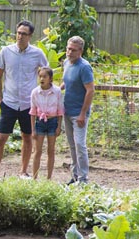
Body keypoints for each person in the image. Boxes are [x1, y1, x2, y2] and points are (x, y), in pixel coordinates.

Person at [0, 20, 49, 179]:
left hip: (28, 103)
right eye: (18, 33)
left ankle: (23, 172)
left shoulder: (37, 53)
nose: (20, 36)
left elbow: (47, 74)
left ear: (30, 36)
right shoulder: (6, 51)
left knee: (27, 137)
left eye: (24, 34)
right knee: (1, 138)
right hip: (8, 102)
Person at [61, 36, 95, 184]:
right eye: (68, 49)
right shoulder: (66, 63)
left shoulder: (85, 67)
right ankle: (75, 176)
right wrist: (56, 90)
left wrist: (83, 113)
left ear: (80, 51)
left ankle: (84, 179)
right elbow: (66, 81)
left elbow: (90, 90)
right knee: (72, 145)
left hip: (79, 113)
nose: (69, 52)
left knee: (80, 145)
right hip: (66, 110)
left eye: (73, 50)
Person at [29, 67, 63, 180]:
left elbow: (60, 110)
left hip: (52, 122)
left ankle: (49, 178)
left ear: (50, 78)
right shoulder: (35, 92)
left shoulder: (57, 91)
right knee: (37, 151)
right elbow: (33, 111)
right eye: (40, 76)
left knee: (51, 150)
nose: (42, 79)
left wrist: (59, 126)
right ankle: (34, 177)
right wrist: (33, 129)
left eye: (45, 76)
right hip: (40, 121)